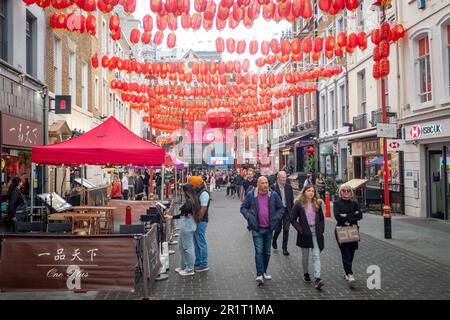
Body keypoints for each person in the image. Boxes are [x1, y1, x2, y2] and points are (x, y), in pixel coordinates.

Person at [240, 176, 285, 284]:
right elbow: (243, 208)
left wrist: (276, 218)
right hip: (257, 228)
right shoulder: (251, 195)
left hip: (269, 228)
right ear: (258, 184)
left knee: (267, 252)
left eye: (266, 183)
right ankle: (259, 274)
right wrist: (249, 217)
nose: (265, 185)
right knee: (259, 251)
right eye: (263, 183)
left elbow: (281, 208)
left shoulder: (273, 195)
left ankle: (264, 271)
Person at [291, 184, 325, 290]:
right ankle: (306, 274)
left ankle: (318, 278)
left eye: (313, 191)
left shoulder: (317, 203)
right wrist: (300, 229)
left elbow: (321, 218)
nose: (311, 193)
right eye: (309, 190)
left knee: (316, 255)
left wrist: (321, 229)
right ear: (304, 192)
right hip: (305, 232)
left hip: (315, 231)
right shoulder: (298, 204)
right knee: (305, 256)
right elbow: (292, 219)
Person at [164, 184, 199, 276]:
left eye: (182, 191)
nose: (181, 192)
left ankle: (189, 269)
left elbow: (186, 211)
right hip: (187, 224)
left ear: (186, 192)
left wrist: (179, 212)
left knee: (187, 247)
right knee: (182, 246)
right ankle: (184, 266)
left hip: (188, 225)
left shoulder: (190, 201)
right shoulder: (191, 200)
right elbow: (185, 212)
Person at [334, 185, 363, 288]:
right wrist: (352, 215)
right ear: (340, 192)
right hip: (341, 230)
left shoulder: (354, 203)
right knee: (345, 253)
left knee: (351, 253)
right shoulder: (337, 203)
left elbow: (360, 215)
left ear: (351, 192)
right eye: (343, 190)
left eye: (348, 190)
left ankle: (346, 271)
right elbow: (337, 216)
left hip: (353, 230)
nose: (346, 192)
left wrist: (346, 216)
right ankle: (350, 274)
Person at [188, 176, 210, 272]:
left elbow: (203, 209)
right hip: (198, 220)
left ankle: (204, 264)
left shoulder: (204, 193)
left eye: (192, 185)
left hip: (201, 221)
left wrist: (197, 220)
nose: (192, 187)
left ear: (196, 185)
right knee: (196, 242)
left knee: (200, 242)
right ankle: (198, 262)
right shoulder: (198, 192)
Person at [271, 171, 295, 256]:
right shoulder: (273, 188)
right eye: (282, 177)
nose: (284, 179)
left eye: (285, 177)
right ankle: (274, 240)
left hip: (286, 211)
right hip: (278, 211)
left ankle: (284, 248)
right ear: (278, 178)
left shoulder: (289, 188)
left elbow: (291, 201)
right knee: (277, 229)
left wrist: (293, 212)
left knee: (286, 229)